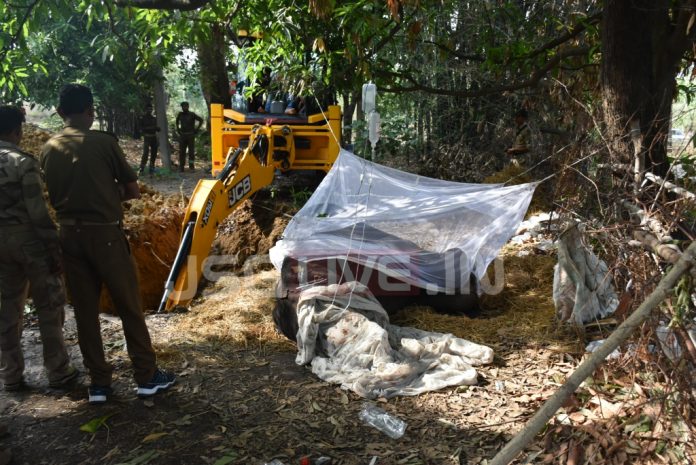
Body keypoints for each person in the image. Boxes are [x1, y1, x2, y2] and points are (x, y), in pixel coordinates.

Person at [40, 84, 175, 404]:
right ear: (91, 111)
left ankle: (99, 383)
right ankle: (146, 376)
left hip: (68, 237)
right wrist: (107, 194)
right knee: (129, 306)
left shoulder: (48, 148)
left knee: (85, 313)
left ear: (60, 113)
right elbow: (132, 190)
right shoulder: (103, 143)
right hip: (106, 236)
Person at [0, 105, 78, 392]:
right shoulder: (22, 162)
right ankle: (58, 370)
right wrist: (53, 248)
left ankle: (10, 374)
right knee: (50, 304)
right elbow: (37, 212)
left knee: (8, 308)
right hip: (29, 242)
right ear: (15, 131)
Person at [175, 101, 203, 172]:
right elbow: (177, 122)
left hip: (190, 135)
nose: (184, 108)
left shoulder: (192, 114)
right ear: (181, 107)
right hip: (183, 135)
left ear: (188, 106)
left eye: (186, 106)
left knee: (191, 152)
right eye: (183, 106)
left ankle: (191, 167)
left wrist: (196, 129)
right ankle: (181, 167)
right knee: (182, 152)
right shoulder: (180, 114)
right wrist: (178, 129)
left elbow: (201, 120)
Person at [138, 103, 160, 177]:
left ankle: (151, 168)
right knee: (145, 153)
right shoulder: (142, 118)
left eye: (151, 109)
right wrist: (151, 128)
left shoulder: (154, 118)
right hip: (147, 137)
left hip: (154, 137)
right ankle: (142, 168)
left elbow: (158, 128)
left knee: (154, 153)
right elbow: (141, 129)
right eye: (148, 109)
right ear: (146, 110)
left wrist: (157, 128)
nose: (150, 110)